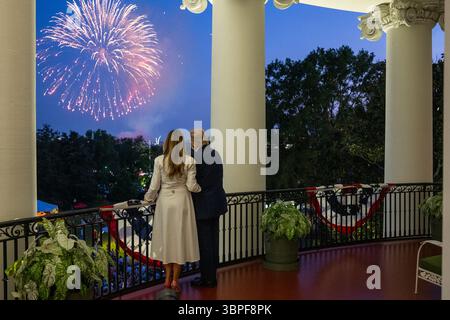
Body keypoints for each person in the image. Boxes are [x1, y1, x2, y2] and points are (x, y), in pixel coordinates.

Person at [144, 129, 201, 293]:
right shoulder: (189, 160)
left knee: (167, 239)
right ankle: (176, 280)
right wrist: (199, 189)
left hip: (165, 203)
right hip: (182, 202)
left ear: (167, 142)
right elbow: (191, 186)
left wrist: (147, 199)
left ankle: (167, 279)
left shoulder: (159, 160)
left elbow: (154, 186)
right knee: (180, 240)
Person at [190, 129, 228, 288]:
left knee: (205, 244)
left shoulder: (198, 157)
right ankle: (211, 275)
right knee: (213, 242)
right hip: (216, 204)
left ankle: (208, 279)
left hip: (203, 206)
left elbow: (196, 183)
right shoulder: (215, 153)